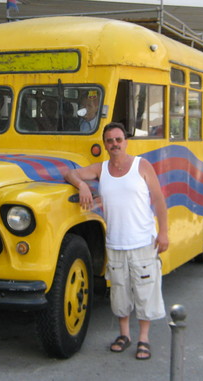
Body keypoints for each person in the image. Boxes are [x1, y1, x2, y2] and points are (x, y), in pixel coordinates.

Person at [64, 122, 169, 360]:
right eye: (110, 141)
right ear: (105, 145)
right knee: (120, 292)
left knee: (144, 291)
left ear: (126, 141)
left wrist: (163, 233)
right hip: (115, 243)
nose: (115, 144)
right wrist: (82, 185)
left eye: (118, 140)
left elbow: (159, 201)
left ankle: (143, 338)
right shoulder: (101, 169)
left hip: (143, 241)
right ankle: (124, 335)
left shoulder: (141, 166)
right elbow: (70, 173)